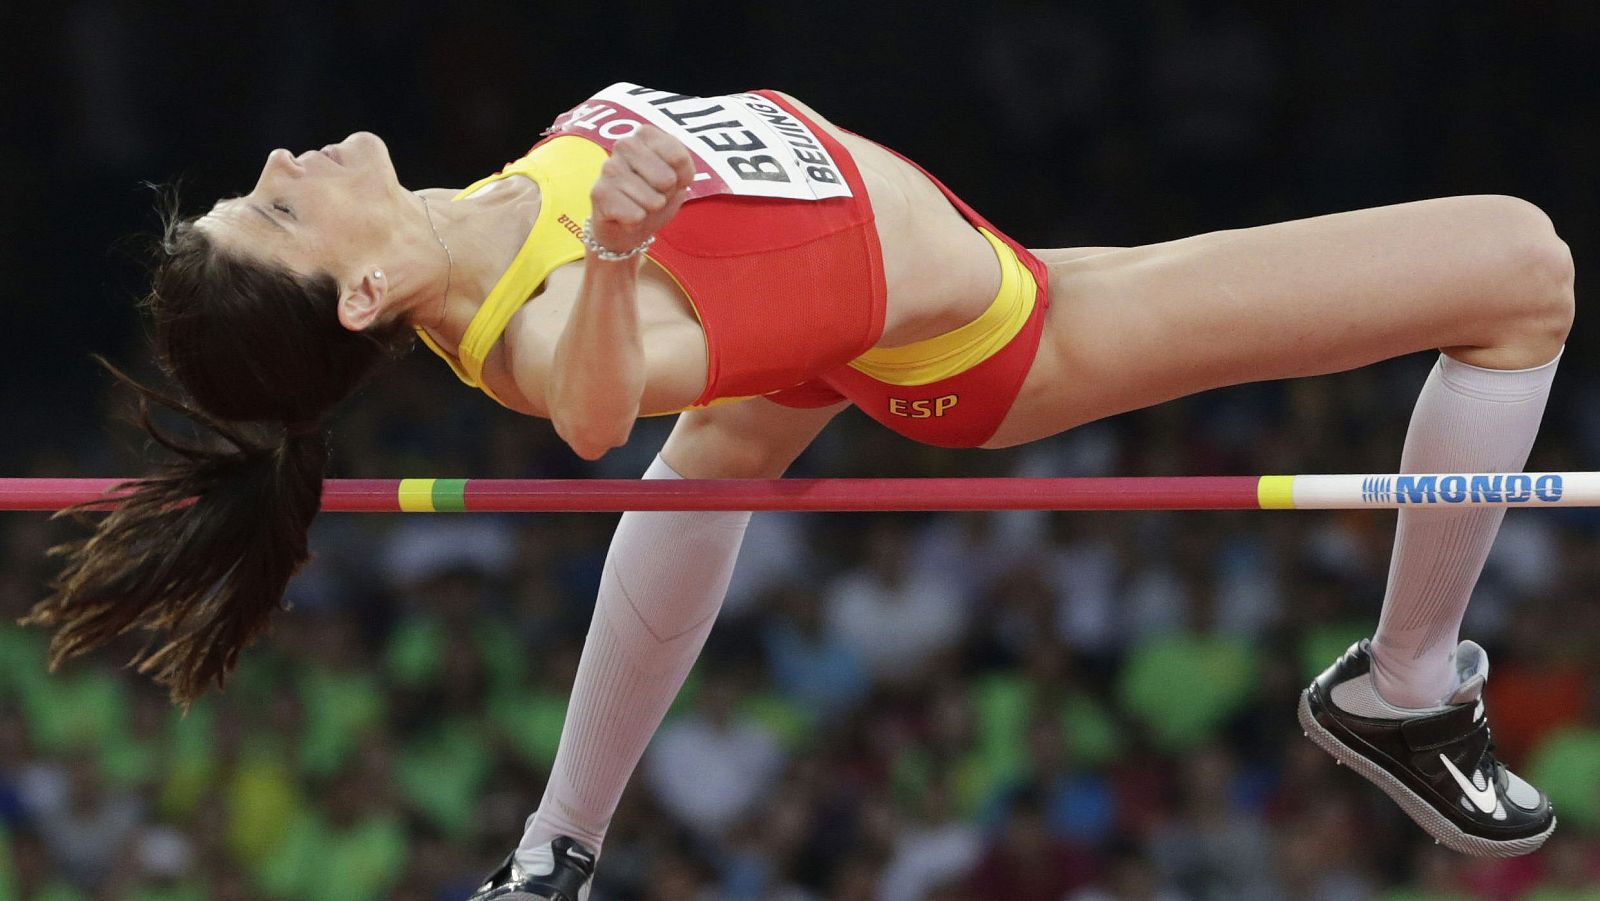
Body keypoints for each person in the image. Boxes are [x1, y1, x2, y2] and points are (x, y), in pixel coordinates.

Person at [24, 83, 1573, 898]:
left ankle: (558, 846)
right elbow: (591, 411)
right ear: (356, 289)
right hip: (1007, 336)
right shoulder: (545, 322)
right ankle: (1405, 688)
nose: (288, 154)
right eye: (277, 200)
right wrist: (623, 254)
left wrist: (621, 240)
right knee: (1521, 269)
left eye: (260, 176)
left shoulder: (469, 220)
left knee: (723, 459)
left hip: (955, 258)